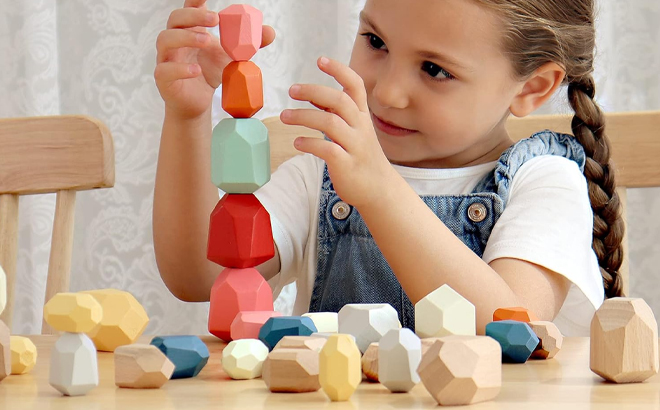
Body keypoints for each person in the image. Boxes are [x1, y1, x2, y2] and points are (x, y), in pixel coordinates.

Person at [153, 0, 624, 336]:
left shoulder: (543, 183)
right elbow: (200, 276)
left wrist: (380, 192)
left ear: (532, 88)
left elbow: (511, 325)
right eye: (376, 41)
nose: (387, 93)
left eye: (435, 70)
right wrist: (188, 117)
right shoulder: (320, 174)